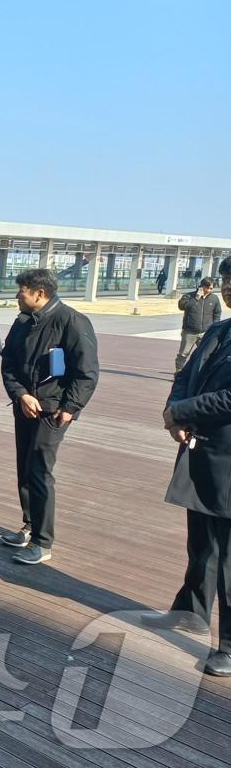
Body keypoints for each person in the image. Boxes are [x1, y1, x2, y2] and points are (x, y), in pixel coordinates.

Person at [142, 256, 231, 678]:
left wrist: (181, 409)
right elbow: (184, 374)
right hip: (202, 453)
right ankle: (190, 611)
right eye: (228, 279)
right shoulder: (219, 331)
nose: (230, 287)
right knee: (202, 544)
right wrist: (172, 410)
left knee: (230, 558)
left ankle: (229, 644)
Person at [0, 268, 99, 564]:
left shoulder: (72, 321)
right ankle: (29, 526)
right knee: (24, 468)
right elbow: (9, 365)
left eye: (22, 291)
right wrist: (20, 394)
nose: (18, 296)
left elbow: (87, 373)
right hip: (26, 407)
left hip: (53, 413)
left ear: (39, 293)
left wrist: (69, 407)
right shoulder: (22, 322)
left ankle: (43, 542)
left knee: (41, 470)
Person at [176, 278, 221, 373]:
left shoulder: (214, 298)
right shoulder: (189, 296)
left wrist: (214, 327)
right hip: (189, 331)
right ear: (201, 286)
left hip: (206, 332)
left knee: (206, 354)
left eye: (211, 288)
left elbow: (217, 313)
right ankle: (178, 372)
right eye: (207, 288)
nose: (209, 290)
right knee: (183, 354)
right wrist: (196, 298)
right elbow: (182, 306)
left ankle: (200, 374)